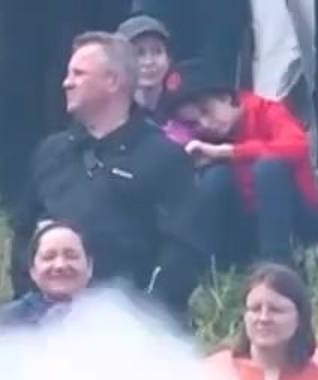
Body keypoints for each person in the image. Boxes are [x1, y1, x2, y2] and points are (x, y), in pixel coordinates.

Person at [14, 32, 199, 314]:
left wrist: (146, 316)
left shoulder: (165, 158)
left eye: (78, 74)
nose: (66, 83)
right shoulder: (50, 153)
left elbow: (182, 252)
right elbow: (23, 238)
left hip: (132, 324)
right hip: (48, 323)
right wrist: (31, 309)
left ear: (112, 81)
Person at [171, 61, 318, 274]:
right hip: (250, 225)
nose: (205, 125)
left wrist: (231, 152)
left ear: (226, 98)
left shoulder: (266, 110)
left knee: (269, 167)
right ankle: (212, 264)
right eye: (195, 123)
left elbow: (297, 146)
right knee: (216, 177)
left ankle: (277, 266)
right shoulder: (203, 143)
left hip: (299, 218)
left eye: (206, 111)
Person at [0, 216, 91, 327]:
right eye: (49, 257)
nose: (60, 265)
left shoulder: (107, 312)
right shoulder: (13, 318)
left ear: (89, 266)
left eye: (71, 256)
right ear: (33, 270)